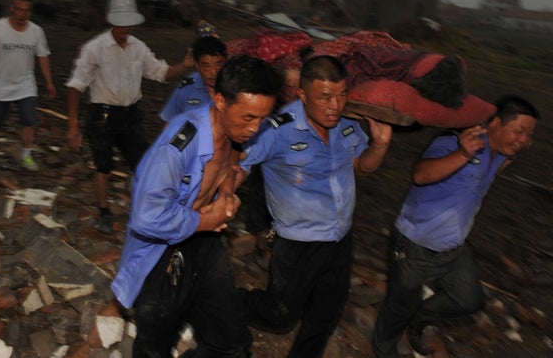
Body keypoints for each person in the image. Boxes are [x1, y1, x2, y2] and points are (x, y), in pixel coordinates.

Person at [111, 55, 284, 358]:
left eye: (263, 118)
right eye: (248, 118)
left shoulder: (234, 131)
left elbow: (232, 160)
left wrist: (227, 192)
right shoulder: (180, 144)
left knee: (232, 343)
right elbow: (147, 216)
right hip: (162, 249)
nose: (256, 128)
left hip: (205, 244)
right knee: (154, 345)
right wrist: (205, 220)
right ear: (220, 100)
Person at [233, 55, 393, 358]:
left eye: (342, 94)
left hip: (340, 240)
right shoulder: (277, 129)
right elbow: (239, 166)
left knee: (326, 314)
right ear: (303, 95)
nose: (336, 105)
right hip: (297, 245)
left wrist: (380, 146)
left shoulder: (347, 125)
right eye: (325, 97)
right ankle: (220, 302)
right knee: (280, 314)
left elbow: (362, 166)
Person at [371, 95, 539, 358]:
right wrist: (461, 154)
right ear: (495, 123)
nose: (524, 140)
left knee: (469, 299)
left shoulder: (498, 154)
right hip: (415, 244)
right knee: (398, 306)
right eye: (520, 131)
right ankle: (384, 349)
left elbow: (493, 170)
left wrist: (513, 147)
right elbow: (420, 174)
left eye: (529, 136)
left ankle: (420, 319)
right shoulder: (454, 142)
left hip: (454, 247)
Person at [66, 0, 194, 234]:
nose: (126, 27)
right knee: (103, 165)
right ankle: (104, 211)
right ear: (112, 21)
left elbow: (160, 72)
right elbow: (76, 85)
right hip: (102, 116)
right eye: (121, 22)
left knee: (143, 163)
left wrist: (185, 66)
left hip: (130, 115)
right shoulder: (95, 48)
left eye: (129, 22)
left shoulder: (139, 47)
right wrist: (73, 125)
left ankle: (145, 208)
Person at [0, 0, 56, 171]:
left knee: (29, 120)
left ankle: (26, 155)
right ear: (12, 9)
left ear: (31, 11)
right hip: (1, 84)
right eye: (19, 9)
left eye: (27, 10)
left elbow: (43, 57)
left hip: (25, 84)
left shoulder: (36, 31)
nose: (23, 14)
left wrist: (49, 82)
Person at [159, 34, 227, 123]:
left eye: (218, 65)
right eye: (207, 66)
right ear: (197, 66)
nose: (213, 73)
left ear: (226, 63)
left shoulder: (237, 86)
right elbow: (169, 123)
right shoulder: (187, 88)